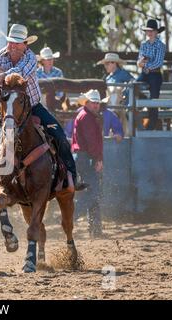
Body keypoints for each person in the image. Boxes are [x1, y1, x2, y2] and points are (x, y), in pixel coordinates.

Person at [0, 24, 85, 211]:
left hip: (32, 107)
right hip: (7, 108)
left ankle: (72, 176)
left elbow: (19, 72)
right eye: (11, 42)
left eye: (17, 43)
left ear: (25, 45)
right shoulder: (4, 54)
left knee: (59, 134)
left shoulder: (29, 58)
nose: (13, 46)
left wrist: (1, 75)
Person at [71, 90, 104, 238]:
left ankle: (95, 228)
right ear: (87, 102)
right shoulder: (88, 118)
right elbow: (92, 142)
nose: (96, 105)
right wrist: (98, 159)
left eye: (97, 102)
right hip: (86, 157)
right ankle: (72, 216)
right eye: (94, 102)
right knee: (93, 190)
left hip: (82, 156)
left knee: (93, 191)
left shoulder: (85, 115)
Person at [137, 19, 166, 130]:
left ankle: (151, 125)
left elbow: (158, 62)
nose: (149, 33)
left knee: (154, 100)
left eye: (151, 31)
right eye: (147, 31)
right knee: (133, 87)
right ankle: (135, 111)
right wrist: (140, 63)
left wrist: (145, 65)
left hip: (155, 75)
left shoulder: (160, 45)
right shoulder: (143, 44)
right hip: (145, 73)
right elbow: (139, 60)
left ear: (156, 32)